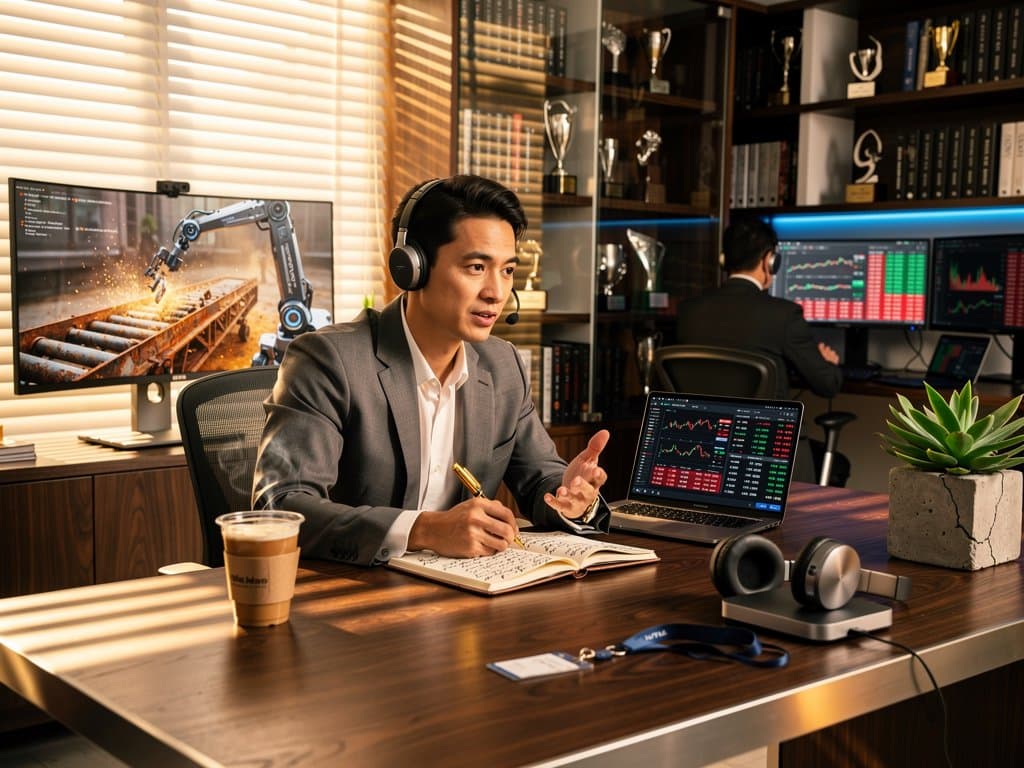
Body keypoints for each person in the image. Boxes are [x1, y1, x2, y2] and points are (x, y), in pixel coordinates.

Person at [252, 175, 610, 566]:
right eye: (476, 267)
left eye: (507, 270)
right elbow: (281, 507)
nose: (496, 292)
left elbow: (542, 481)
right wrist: (424, 529)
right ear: (412, 267)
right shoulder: (328, 360)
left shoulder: (503, 365)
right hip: (352, 588)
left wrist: (571, 498)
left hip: (467, 590)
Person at [676, 216, 842, 400]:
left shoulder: (688, 311)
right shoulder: (785, 316)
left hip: (704, 417)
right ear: (769, 261)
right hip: (760, 420)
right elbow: (828, 385)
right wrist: (827, 364)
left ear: (723, 260)